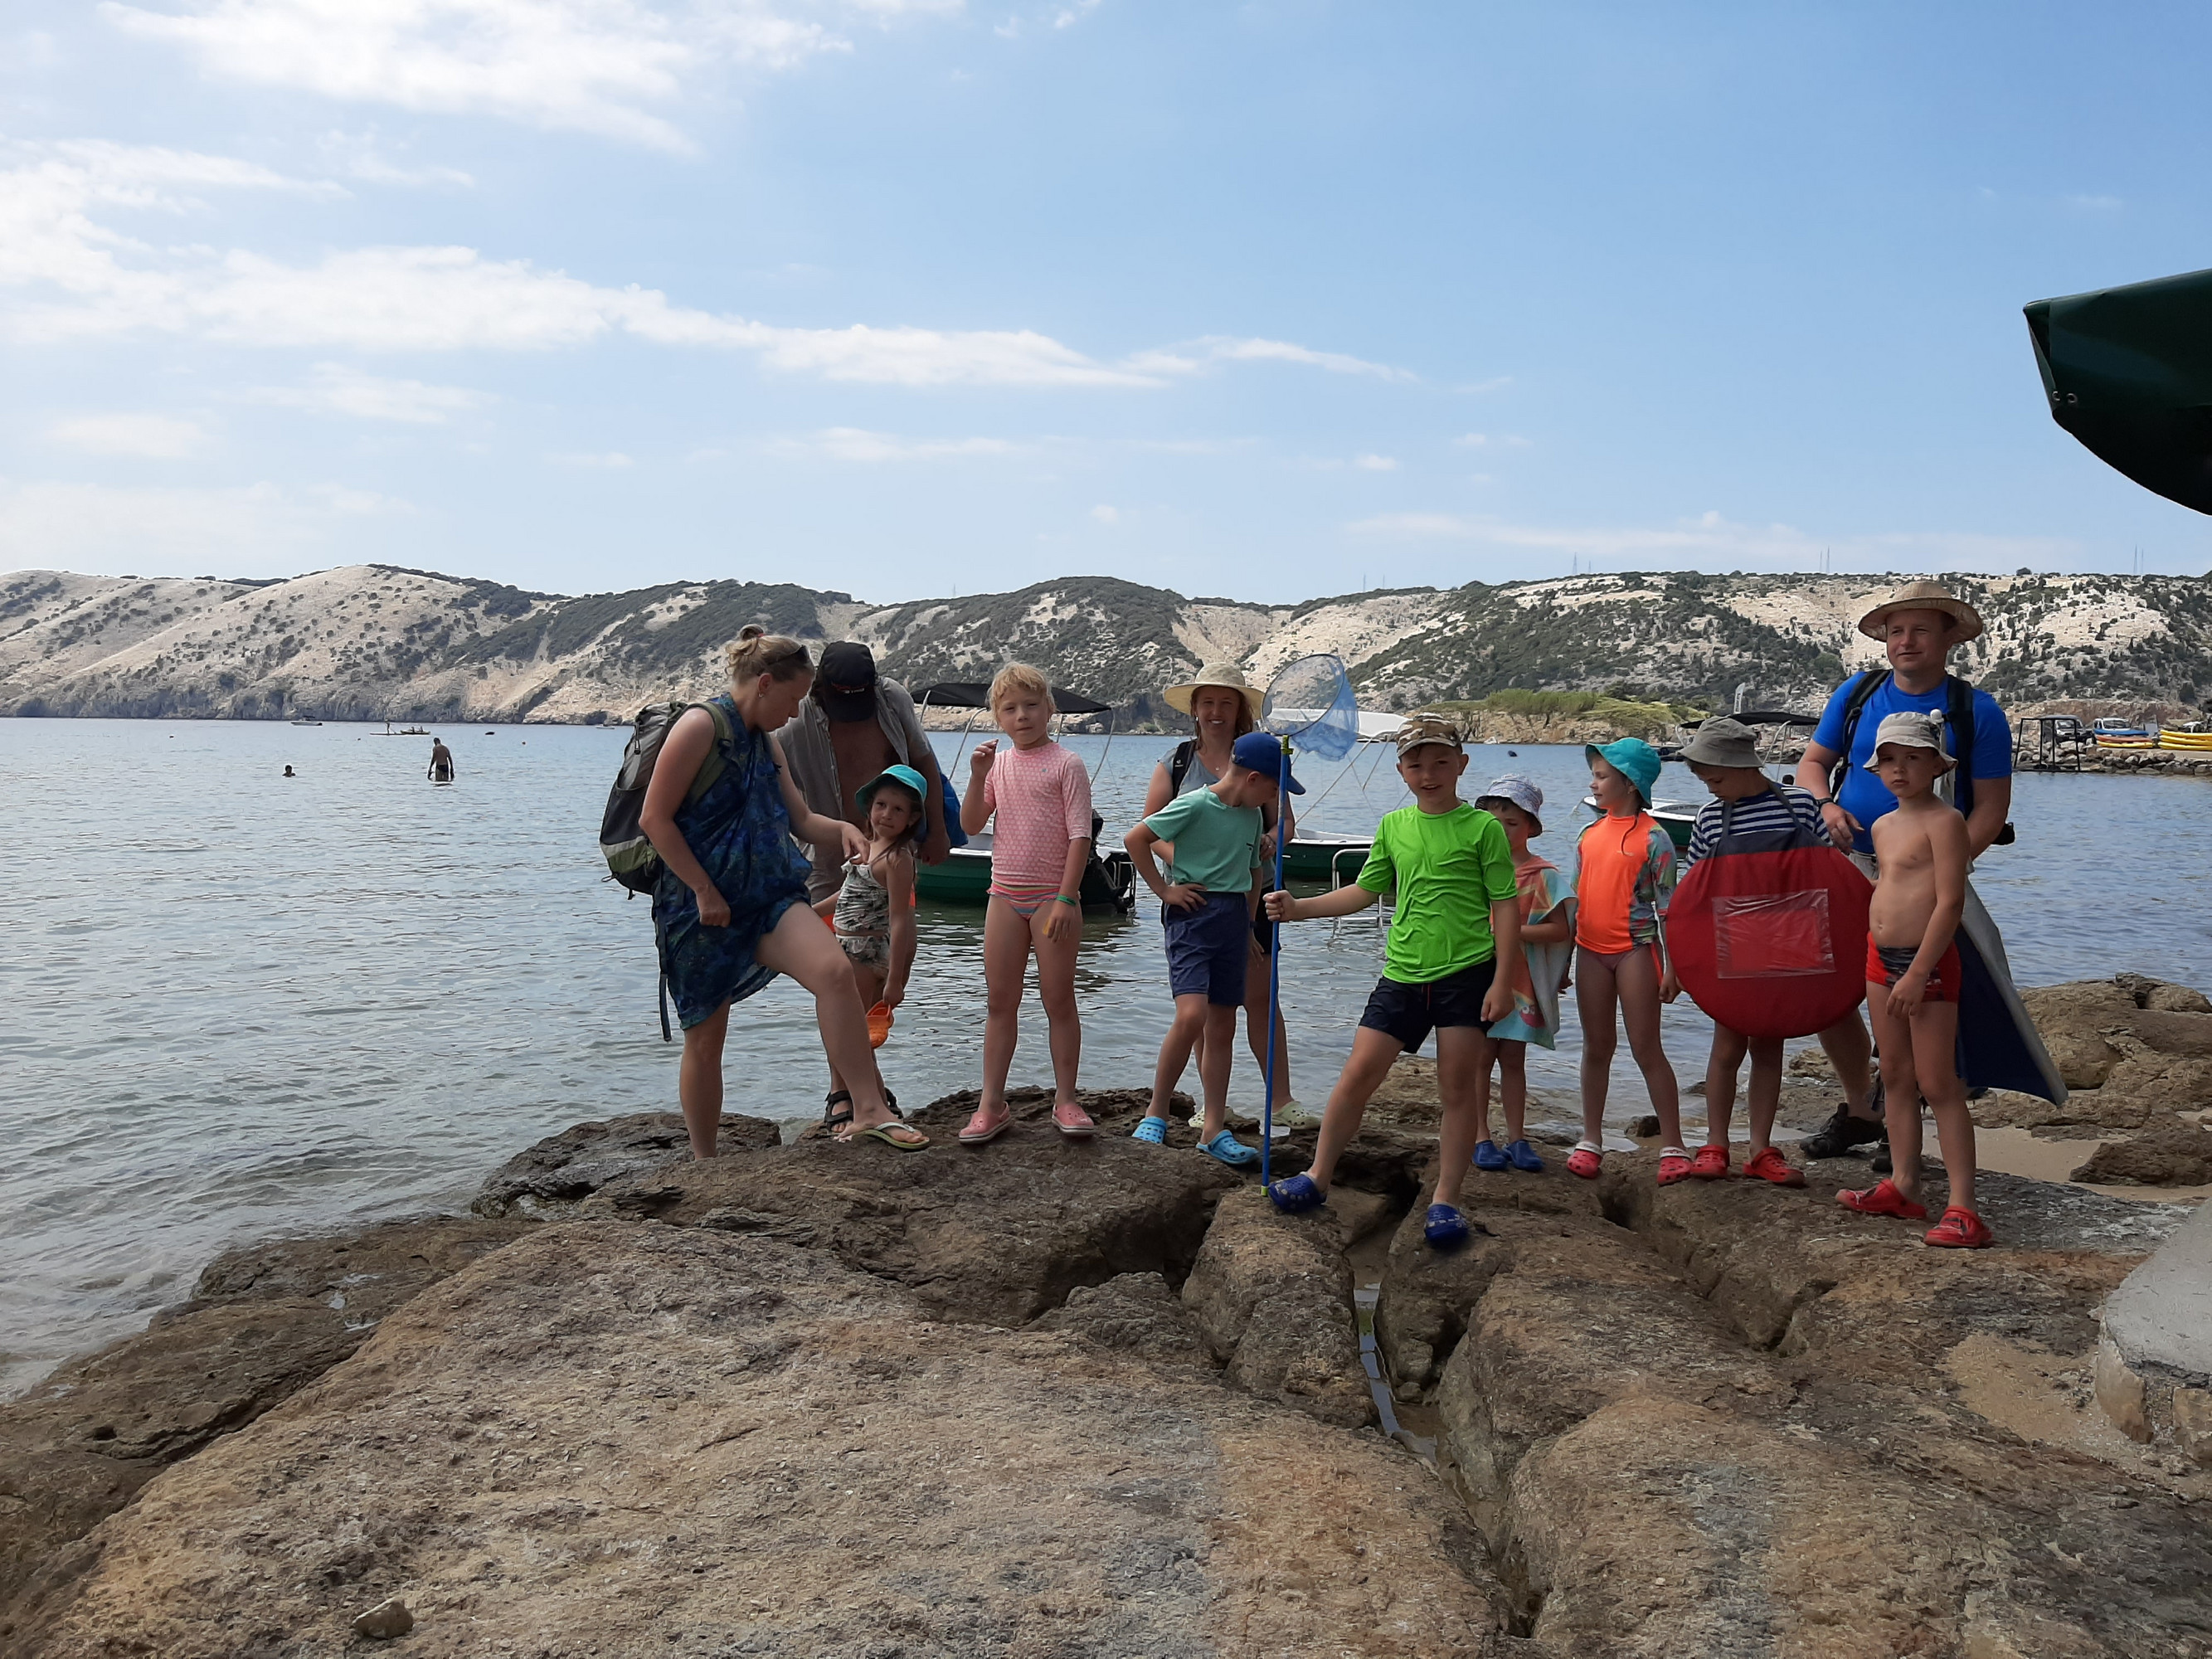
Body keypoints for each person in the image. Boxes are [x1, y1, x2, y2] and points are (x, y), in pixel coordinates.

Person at [639, 625, 928, 1158]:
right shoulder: (700, 727)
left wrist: (843, 829)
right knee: (706, 1037)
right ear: (765, 684)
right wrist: (704, 890)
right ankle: (704, 1162)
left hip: (769, 894)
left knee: (835, 973)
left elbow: (800, 817)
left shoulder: (766, 741)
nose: (796, 713)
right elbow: (654, 818)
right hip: (700, 907)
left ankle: (868, 1109)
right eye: (793, 700)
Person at [1262, 715, 1521, 1250]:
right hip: (1401, 973)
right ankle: (1318, 1176)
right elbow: (1364, 891)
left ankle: (1445, 1200)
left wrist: (1503, 981)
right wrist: (1300, 908)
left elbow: (1505, 906)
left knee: (1457, 1089)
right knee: (1356, 1076)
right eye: (1416, 764)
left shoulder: (1484, 828)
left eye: (1441, 762)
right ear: (1401, 770)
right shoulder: (1393, 826)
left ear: (1461, 765)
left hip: (1466, 975)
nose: (1429, 774)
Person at [1793, 581, 2014, 1163]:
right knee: (1833, 990)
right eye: (1896, 631)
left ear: (1948, 639)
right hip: (1849, 867)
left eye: (1920, 630)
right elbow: (1812, 765)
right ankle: (1862, 1109)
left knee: (1922, 992)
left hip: (1926, 880)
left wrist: (1942, 871)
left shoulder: (1977, 711)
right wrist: (1825, 805)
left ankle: (1906, 1121)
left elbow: (1990, 809)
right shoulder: (1857, 693)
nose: (1906, 641)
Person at [1836, 713, 1988, 1247]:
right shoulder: (1882, 825)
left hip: (1927, 963)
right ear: (1877, 769)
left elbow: (1950, 903)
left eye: (1913, 758)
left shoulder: (1945, 822)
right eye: (1890, 760)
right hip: (1880, 961)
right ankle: (1902, 1184)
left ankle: (1964, 1208)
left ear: (1935, 765)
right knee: (1895, 1075)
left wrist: (1919, 971)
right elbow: (1889, 886)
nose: (1899, 769)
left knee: (1937, 1083)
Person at [1140, 663, 1302, 1124]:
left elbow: (1284, 822)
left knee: (1261, 998)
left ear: (1240, 710)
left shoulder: (1261, 758)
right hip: (1193, 896)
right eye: (1207, 702)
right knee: (1203, 1008)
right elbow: (1148, 832)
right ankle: (1215, 1108)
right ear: (1194, 708)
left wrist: (1268, 838)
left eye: (1226, 703)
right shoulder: (1175, 763)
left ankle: (1281, 1102)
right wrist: (1193, 864)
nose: (1216, 711)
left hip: (1254, 893)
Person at [1665, 718, 1819, 1187]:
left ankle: (1760, 1148)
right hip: (1732, 941)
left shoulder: (1799, 805)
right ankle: (1715, 1144)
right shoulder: (1712, 818)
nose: (1709, 786)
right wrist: (1677, 964)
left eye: (1713, 777)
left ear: (1740, 766)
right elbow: (1691, 895)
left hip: (1791, 940)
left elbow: (1829, 874)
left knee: (1769, 1046)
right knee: (1727, 1047)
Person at [1125, 729, 1287, 1168]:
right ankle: (1156, 1111)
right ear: (1253, 779)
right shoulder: (1196, 803)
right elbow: (1136, 838)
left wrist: (1249, 928)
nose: (1276, 797)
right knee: (1191, 1014)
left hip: (1234, 921)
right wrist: (1164, 891)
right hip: (1192, 916)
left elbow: (1255, 873)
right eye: (1275, 787)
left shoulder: (1251, 818)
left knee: (1222, 1025)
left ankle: (1213, 1128)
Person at [956, 663, 1096, 1145]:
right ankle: (991, 1103)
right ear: (998, 717)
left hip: (1053, 898)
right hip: (1004, 897)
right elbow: (971, 824)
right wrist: (977, 776)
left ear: (1049, 709)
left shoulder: (1067, 764)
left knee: (1058, 999)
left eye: (1032, 705)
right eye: (1010, 708)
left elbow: (1080, 836)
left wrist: (1066, 898)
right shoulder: (998, 765)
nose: (1022, 716)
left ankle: (1067, 1099)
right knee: (1000, 1002)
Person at [1570, 737, 1688, 1185]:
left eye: (1602, 777)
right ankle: (1591, 1138)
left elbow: (1668, 909)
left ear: (1631, 783)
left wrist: (1673, 968)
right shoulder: (1588, 835)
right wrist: (1560, 963)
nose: (1593, 783)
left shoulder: (1654, 839)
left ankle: (1673, 1143)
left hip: (1636, 950)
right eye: (1594, 775)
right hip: (1589, 952)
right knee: (1596, 1047)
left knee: (1646, 1047)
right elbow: (1575, 903)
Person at [780, 641, 951, 907]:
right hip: (824, 855)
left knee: (891, 924)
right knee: (820, 927)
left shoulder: (891, 699)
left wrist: (937, 831)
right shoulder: (794, 719)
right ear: (821, 686)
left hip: (889, 848)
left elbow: (924, 761)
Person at [1468, 775, 1573, 1174]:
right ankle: (1480, 1136)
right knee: (1480, 1058)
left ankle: (1517, 1137)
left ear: (1531, 827)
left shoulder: (1543, 876)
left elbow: (1561, 930)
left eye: (1512, 823)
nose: (1502, 831)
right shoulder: (1474, 871)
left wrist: (1512, 932)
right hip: (1478, 978)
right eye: (1494, 823)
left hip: (1521, 983)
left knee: (1513, 1059)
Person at [812, 764, 926, 1132]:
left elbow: (900, 921)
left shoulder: (897, 859)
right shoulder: (867, 846)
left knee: (850, 1034)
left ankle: (863, 1104)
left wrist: (896, 979)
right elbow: (847, 894)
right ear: (870, 808)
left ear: (911, 819)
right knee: (850, 1032)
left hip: (866, 952)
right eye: (881, 805)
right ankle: (876, 1101)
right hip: (844, 944)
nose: (887, 815)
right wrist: (810, 912)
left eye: (898, 809)